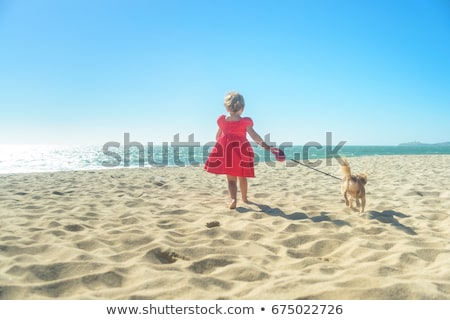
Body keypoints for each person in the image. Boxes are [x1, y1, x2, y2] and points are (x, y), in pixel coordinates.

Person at [204, 91, 282, 209]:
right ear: (242, 108)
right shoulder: (245, 122)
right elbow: (255, 137)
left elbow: (217, 137)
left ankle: (233, 199)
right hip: (241, 151)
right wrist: (267, 146)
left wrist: (226, 134)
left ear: (226, 107)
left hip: (227, 152)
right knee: (242, 176)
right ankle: (244, 198)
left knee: (231, 180)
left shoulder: (222, 120)